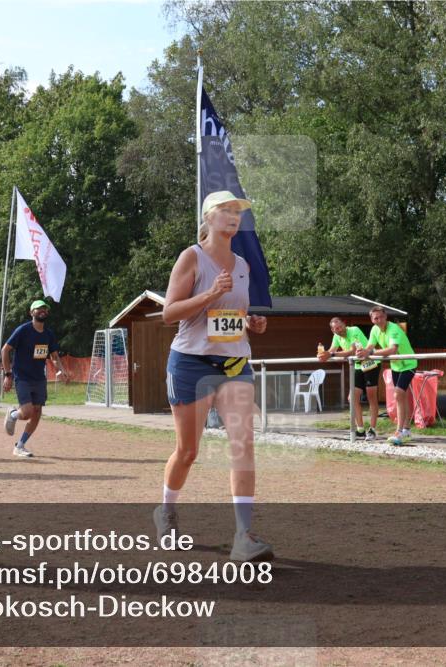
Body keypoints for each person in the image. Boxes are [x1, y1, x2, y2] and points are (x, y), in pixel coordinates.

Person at [154, 190, 272, 563]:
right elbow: (170, 313)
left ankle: (243, 536)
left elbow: (234, 314)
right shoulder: (192, 257)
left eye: (238, 211)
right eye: (227, 209)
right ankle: (166, 512)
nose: (234, 215)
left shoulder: (243, 264)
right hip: (191, 363)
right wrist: (209, 293)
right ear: (209, 217)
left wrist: (253, 323)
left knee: (243, 446)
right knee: (188, 451)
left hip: (235, 364)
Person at [1, 299, 66, 457]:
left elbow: (54, 356)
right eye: (38, 308)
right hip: (22, 376)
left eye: (44, 308)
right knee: (27, 412)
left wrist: (62, 370)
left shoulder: (48, 334)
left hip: (39, 379)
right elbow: (5, 350)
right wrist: (8, 375)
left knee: (37, 412)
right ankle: (13, 414)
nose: (42, 310)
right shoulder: (23, 330)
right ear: (31, 313)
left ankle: (20, 445)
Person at [363, 306, 418, 445]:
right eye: (376, 318)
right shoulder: (375, 330)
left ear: (386, 316)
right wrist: (363, 351)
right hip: (396, 366)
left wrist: (371, 353)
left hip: (408, 364)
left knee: (398, 394)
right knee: (401, 396)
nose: (379, 320)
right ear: (372, 320)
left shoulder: (394, 329)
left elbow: (393, 349)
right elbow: (370, 346)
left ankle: (399, 431)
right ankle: (406, 428)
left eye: (381, 317)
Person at [317, 316, 379, 439]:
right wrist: (323, 354)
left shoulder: (354, 330)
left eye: (340, 327)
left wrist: (331, 354)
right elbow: (331, 350)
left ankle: (372, 429)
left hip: (370, 363)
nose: (339, 330)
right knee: (352, 398)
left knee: (371, 396)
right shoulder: (336, 336)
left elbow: (352, 351)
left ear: (344, 324)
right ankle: (360, 429)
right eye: (336, 329)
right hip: (357, 366)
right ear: (332, 331)